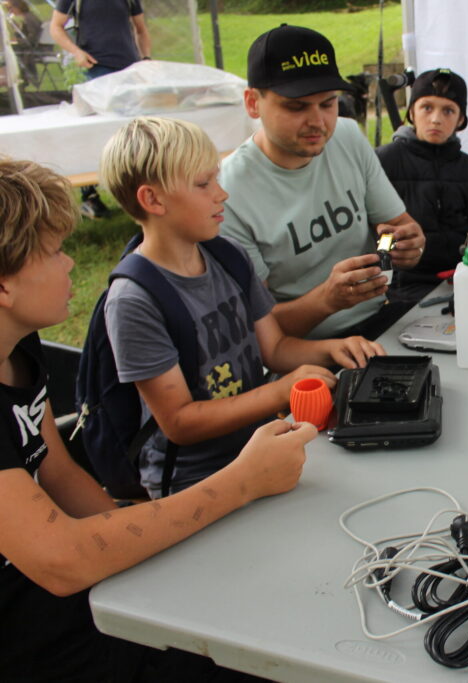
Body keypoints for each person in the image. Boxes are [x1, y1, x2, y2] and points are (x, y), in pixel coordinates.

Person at [0, 155, 316, 680]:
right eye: (54, 252)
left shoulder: (18, 346)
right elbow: (62, 561)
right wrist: (242, 482)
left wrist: (147, 565)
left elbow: (57, 472)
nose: (71, 264)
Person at [99, 116, 384, 498]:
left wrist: (333, 348)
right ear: (152, 199)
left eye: (216, 179)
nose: (222, 194)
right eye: (203, 184)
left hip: (261, 449)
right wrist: (280, 391)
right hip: (195, 481)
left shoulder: (227, 256)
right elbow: (180, 422)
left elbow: (275, 348)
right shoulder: (135, 300)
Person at [219, 24, 427, 341]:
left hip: (383, 320)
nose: (318, 122)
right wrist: (327, 301)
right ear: (252, 102)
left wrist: (411, 246)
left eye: (328, 103)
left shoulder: (346, 136)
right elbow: (259, 332)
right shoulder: (227, 192)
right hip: (307, 351)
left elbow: (398, 226)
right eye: (296, 106)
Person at [375, 68, 468, 304]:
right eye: (427, 107)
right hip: (399, 288)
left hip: (461, 281)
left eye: (448, 110)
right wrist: (385, 279)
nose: (435, 119)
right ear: (411, 112)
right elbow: (376, 232)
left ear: (461, 120)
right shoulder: (382, 161)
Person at [49, 0, 152, 219]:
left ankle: (135, 189)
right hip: (96, 70)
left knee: (133, 133)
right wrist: (76, 52)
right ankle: (90, 196)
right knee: (95, 134)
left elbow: (141, 29)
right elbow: (56, 27)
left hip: (129, 70)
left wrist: (145, 59)